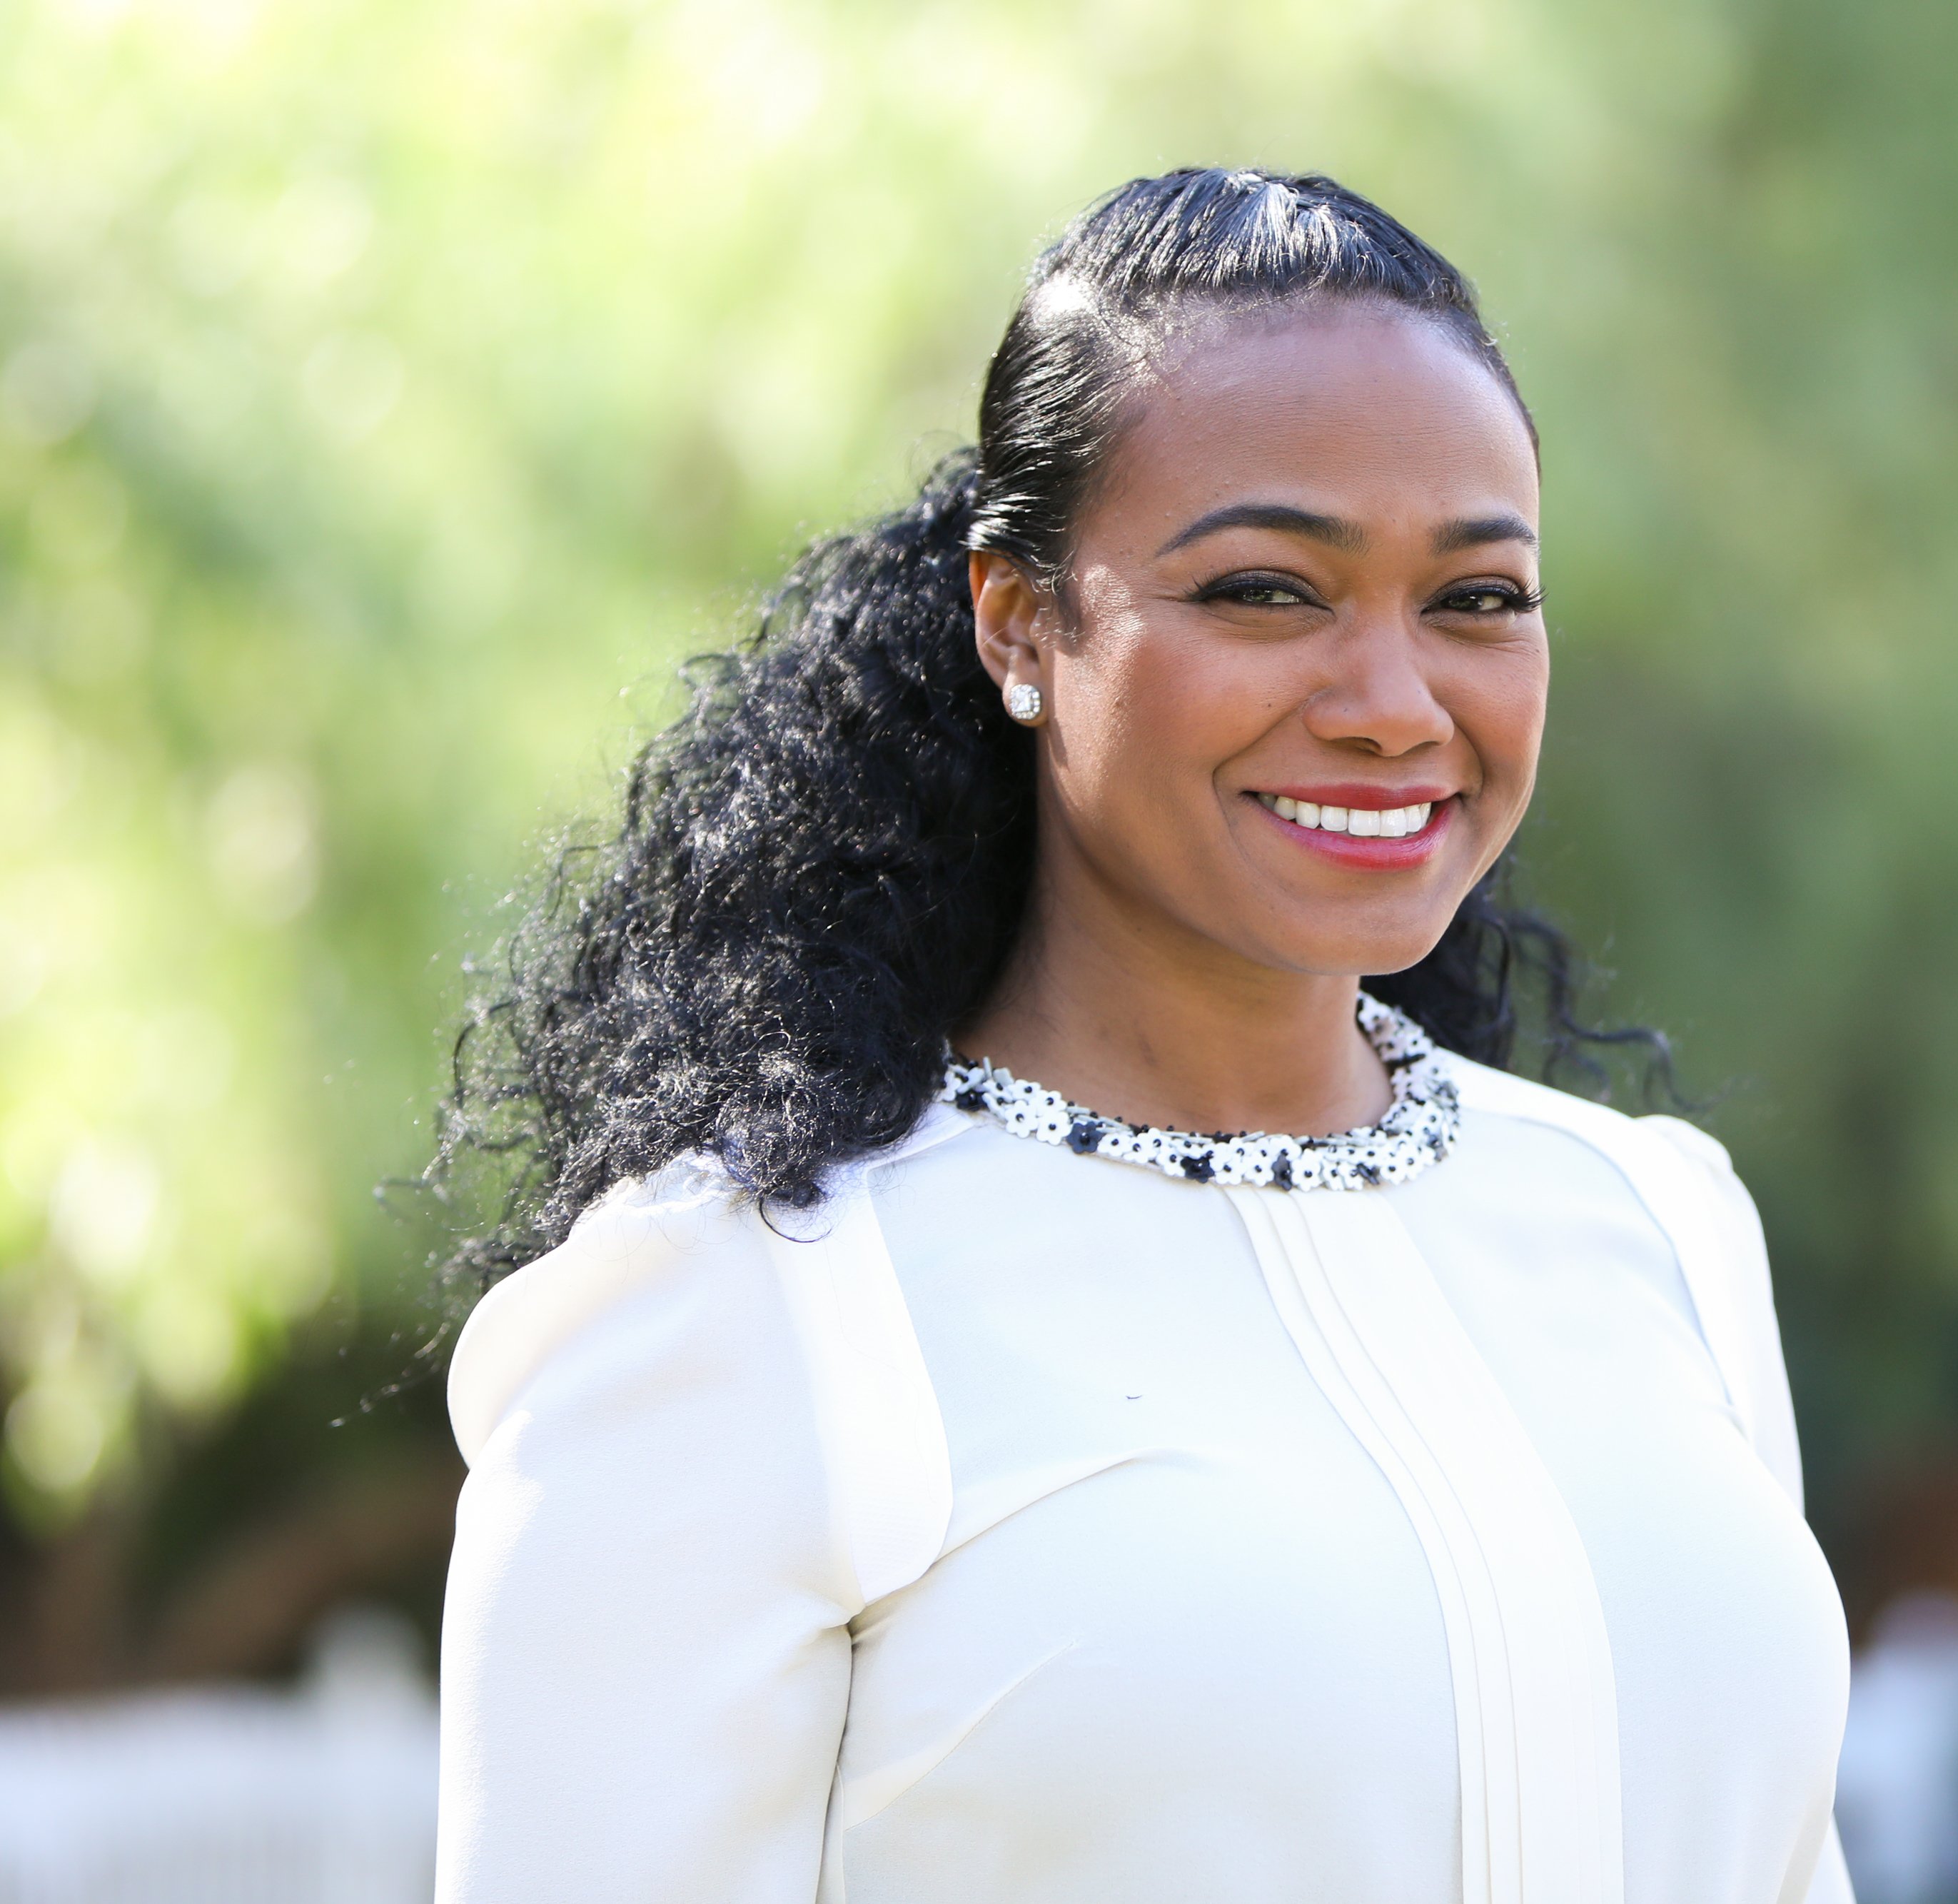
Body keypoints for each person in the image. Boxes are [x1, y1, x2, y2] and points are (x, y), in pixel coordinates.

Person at [433, 167, 1852, 1904]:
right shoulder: (755, 1302)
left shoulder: (1655, 1226)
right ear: (1018, 621)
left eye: (1476, 598)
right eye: (1267, 591)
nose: (1396, 704)